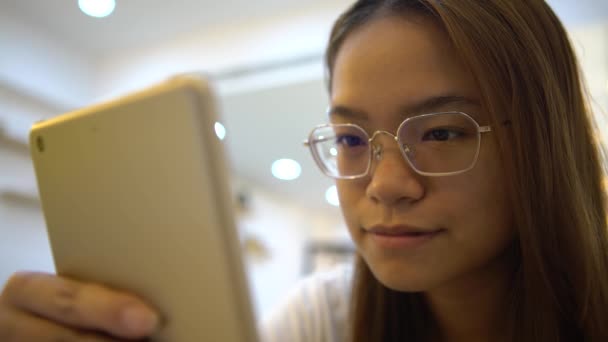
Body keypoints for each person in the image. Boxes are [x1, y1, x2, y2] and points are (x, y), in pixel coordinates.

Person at [1, 0, 607, 341]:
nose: (387, 184)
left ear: (541, 141)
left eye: (442, 132)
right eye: (349, 138)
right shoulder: (323, 320)